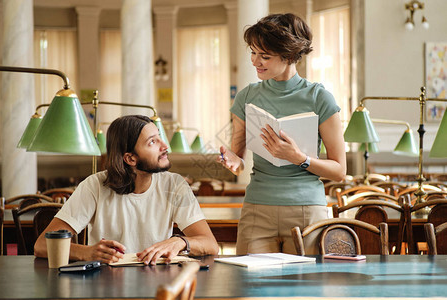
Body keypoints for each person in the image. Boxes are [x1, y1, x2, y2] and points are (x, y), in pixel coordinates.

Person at [220, 13, 346, 255]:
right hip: (257, 208)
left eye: (264, 56)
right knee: (253, 289)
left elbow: (339, 171)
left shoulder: (319, 98)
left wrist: (300, 158)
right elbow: (238, 160)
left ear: (289, 56)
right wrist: (233, 161)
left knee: (304, 291)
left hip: (307, 209)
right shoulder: (247, 96)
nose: (255, 61)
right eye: (253, 53)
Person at [35, 115, 219, 264]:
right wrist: (87, 252)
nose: (165, 146)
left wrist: (180, 241)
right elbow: (42, 245)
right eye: (152, 142)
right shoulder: (94, 186)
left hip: (156, 283)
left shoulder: (175, 185)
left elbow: (210, 244)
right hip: (105, 285)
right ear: (130, 159)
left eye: (160, 137)